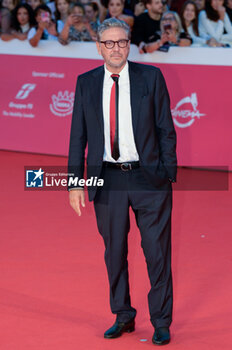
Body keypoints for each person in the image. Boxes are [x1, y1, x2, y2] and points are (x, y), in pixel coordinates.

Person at [68, 17, 177, 346]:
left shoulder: (151, 77)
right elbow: (78, 137)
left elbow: (165, 129)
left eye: (122, 42)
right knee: (114, 253)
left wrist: (166, 174)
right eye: (109, 43)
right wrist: (75, 183)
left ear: (129, 44)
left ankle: (160, 320)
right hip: (107, 180)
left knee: (157, 253)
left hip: (148, 180)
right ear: (99, 46)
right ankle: (123, 315)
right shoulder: (85, 82)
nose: (116, 48)